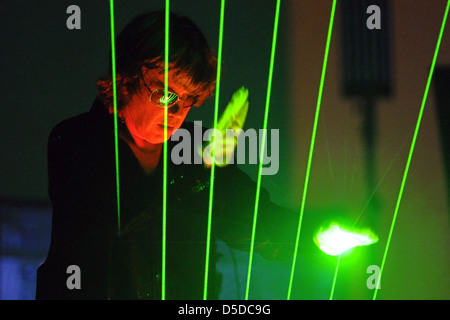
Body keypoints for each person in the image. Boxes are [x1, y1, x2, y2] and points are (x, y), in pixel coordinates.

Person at [36, 10, 296, 300]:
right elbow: (115, 218)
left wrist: (318, 234)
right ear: (125, 79)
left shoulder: (194, 148)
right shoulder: (76, 140)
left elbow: (250, 220)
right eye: (165, 94)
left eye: (189, 99)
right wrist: (202, 171)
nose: (177, 112)